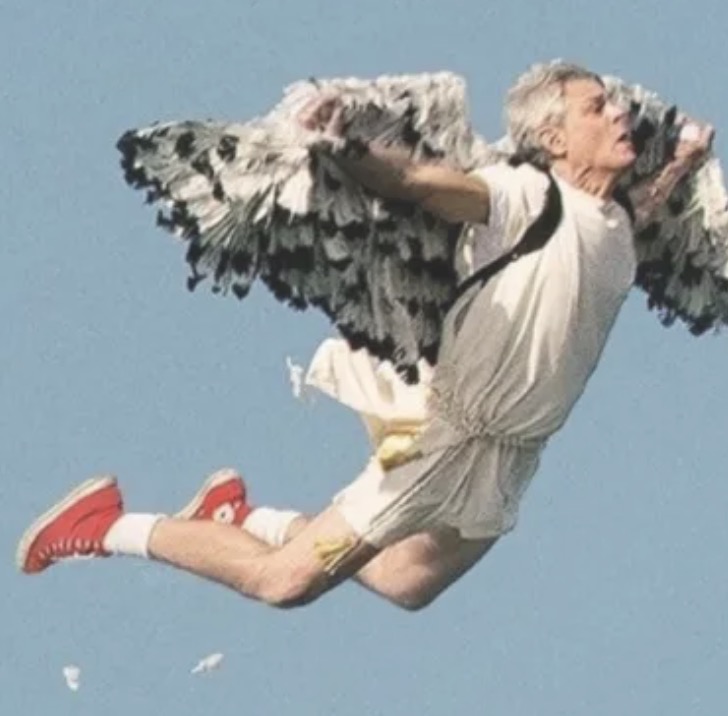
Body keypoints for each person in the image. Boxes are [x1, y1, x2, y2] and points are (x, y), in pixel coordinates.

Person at [16, 61, 714, 612]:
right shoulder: (524, 196)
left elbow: (633, 216)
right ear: (555, 139)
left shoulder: (620, 224)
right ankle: (104, 526)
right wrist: (346, 148)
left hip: (511, 459)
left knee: (406, 583)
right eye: (597, 107)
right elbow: (416, 182)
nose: (619, 113)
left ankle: (244, 517)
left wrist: (683, 162)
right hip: (444, 444)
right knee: (283, 585)